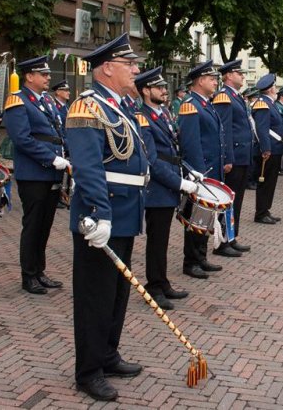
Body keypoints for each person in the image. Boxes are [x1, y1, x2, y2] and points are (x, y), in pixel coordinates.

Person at [65, 33, 148, 402]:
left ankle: (108, 353)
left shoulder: (120, 106)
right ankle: (89, 371)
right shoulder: (87, 107)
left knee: (117, 293)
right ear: (107, 68)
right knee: (95, 296)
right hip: (102, 213)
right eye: (128, 64)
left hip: (126, 210)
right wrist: (99, 213)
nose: (135, 69)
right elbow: (88, 168)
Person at [3, 55, 69, 295]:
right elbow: (22, 139)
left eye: (48, 74)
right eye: (43, 74)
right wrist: (50, 157)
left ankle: (39, 271)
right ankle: (28, 275)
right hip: (33, 173)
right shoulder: (17, 101)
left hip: (52, 172)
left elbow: (58, 133)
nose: (48, 78)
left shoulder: (48, 102)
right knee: (32, 225)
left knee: (45, 225)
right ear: (29, 76)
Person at [135, 67, 196, 310]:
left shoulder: (162, 114)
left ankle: (162, 282)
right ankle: (154, 287)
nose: (164, 90)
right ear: (146, 90)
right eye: (159, 87)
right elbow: (152, 160)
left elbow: (173, 151)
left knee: (163, 239)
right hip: (158, 188)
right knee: (157, 240)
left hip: (169, 182)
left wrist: (188, 171)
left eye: (164, 87)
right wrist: (179, 183)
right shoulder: (142, 117)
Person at [178, 60, 226, 279]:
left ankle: (201, 256)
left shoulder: (206, 103)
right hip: (201, 172)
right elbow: (190, 143)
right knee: (195, 217)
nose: (215, 82)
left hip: (212, 170)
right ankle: (191, 261)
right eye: (211, 79)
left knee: (207, 216)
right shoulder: (190, 105)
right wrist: (198, 173)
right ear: (199, 81)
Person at [212, 59, 254, 256]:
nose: (242, 76)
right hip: (234, 157)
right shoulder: (223, 97)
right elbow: (224, 129)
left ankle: (231, 236)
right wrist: (227, 157)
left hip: (242, 156)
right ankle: (222, 242)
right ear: (228, 76)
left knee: (236, 200)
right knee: (228, 200)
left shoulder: (236, 97)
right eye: (238, 73)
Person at [252, 74, 283, 224]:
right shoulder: (262, 104)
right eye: (275, 87)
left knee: (270, 182)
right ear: (271, 89)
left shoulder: (269, 103)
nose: (276, 89)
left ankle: (266, 209)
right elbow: (262, 129)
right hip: (269, 150)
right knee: (265, 182)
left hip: (275, 148)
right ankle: (260, 213)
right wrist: (266, 149)